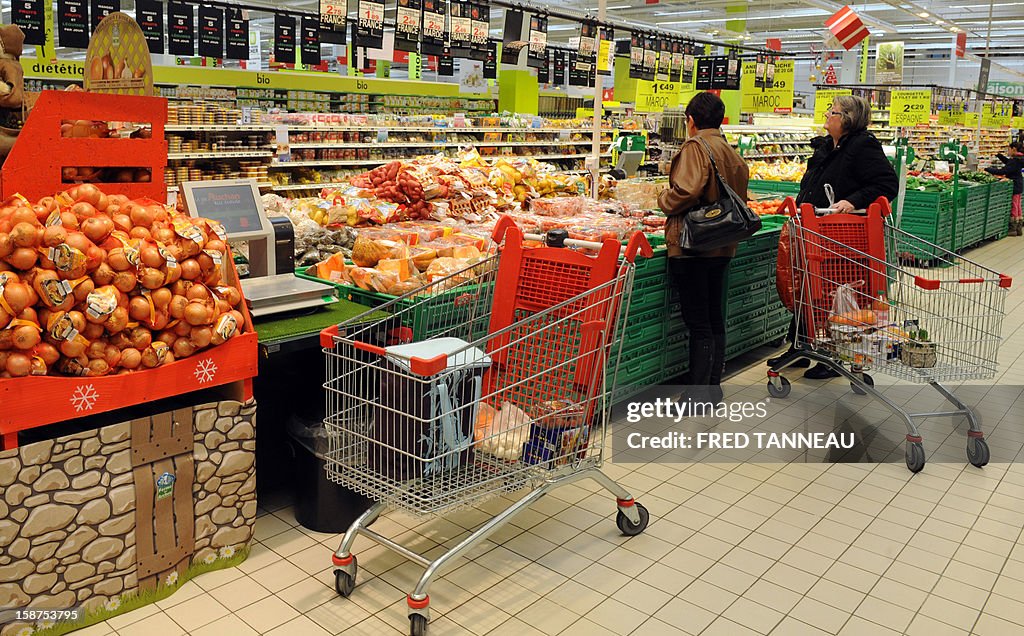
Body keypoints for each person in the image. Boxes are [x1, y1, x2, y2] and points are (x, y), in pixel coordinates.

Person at [769, 94, 898, 379]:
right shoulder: (829, 146)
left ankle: (832, 356)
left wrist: (853, 200)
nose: (828, 115)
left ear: (848, 120)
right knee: (807, 288)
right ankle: (801, 346)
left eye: (833, 112)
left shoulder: (862, 146)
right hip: (814, 229)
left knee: (831, 294)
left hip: (843, 235)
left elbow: (887, 184)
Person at [658, 92, 749, 404]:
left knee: (698, 321)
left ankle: (696, 394)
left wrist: (662, 199)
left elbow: (686, 190)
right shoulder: (730, 150)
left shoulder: (696, 146)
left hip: (693, 244)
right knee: (712, 316)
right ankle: (712, 387)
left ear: (691, 121)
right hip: (722, 243)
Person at [986, 141, 1023, 236]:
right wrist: (999, 156)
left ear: (1013, 149)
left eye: (1009, 149)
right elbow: (1009, 163)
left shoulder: (1015, 160)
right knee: (1018, 205)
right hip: (1019, 183)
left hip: (1014, 184)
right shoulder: (1019, 158)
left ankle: (1013, 228)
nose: (1008, 151)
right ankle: (1019, 228)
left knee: (1014, 206)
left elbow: (1004, 171)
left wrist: (988, 169)